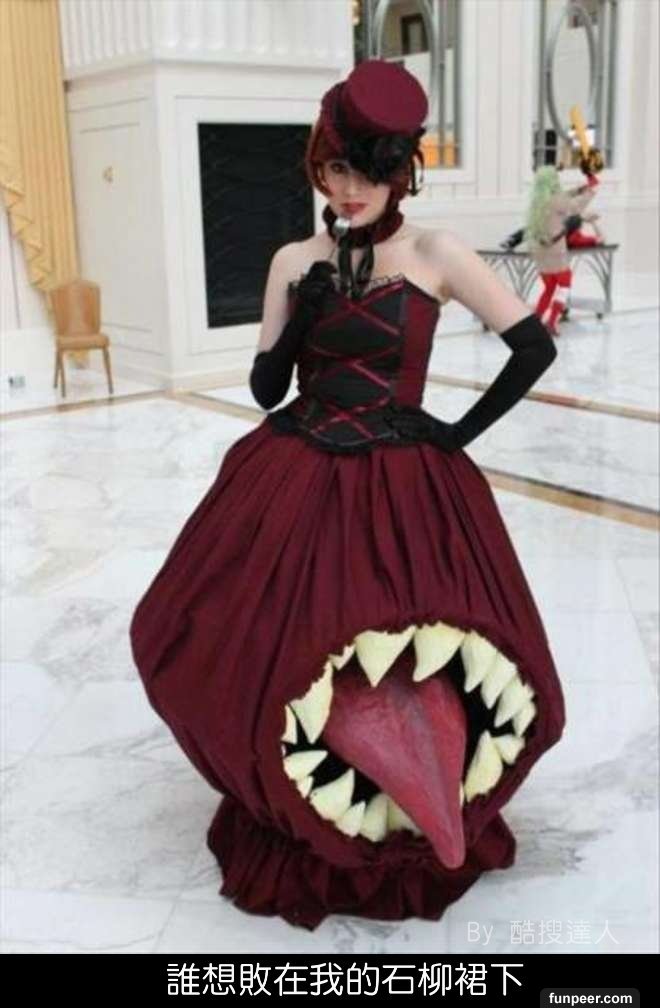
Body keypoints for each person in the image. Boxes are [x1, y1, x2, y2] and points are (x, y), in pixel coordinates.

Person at [129, 59, 566, 932]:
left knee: (410, 636)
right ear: (317, 169)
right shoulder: (296, 258)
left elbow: (533, 348)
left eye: (369, 170)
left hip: (406, 474)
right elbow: (265, 389)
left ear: (402, 170)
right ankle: (303, 792)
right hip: (299, 460)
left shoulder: (436, 254)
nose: (349, 189)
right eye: (334, 170)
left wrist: (454, 436)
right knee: (243, 636)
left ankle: (414, 792)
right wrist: (303, 311)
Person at [526, 163, 600, 335]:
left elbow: (564, 196)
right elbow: (576, 206)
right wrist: (591, 190)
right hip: (555, 250)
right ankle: (552, 322)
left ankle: (536, 322)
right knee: (564, 284)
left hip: (539, 250)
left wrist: (580, 188)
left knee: (549, 287)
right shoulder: (557, 201)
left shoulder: (538, 200)